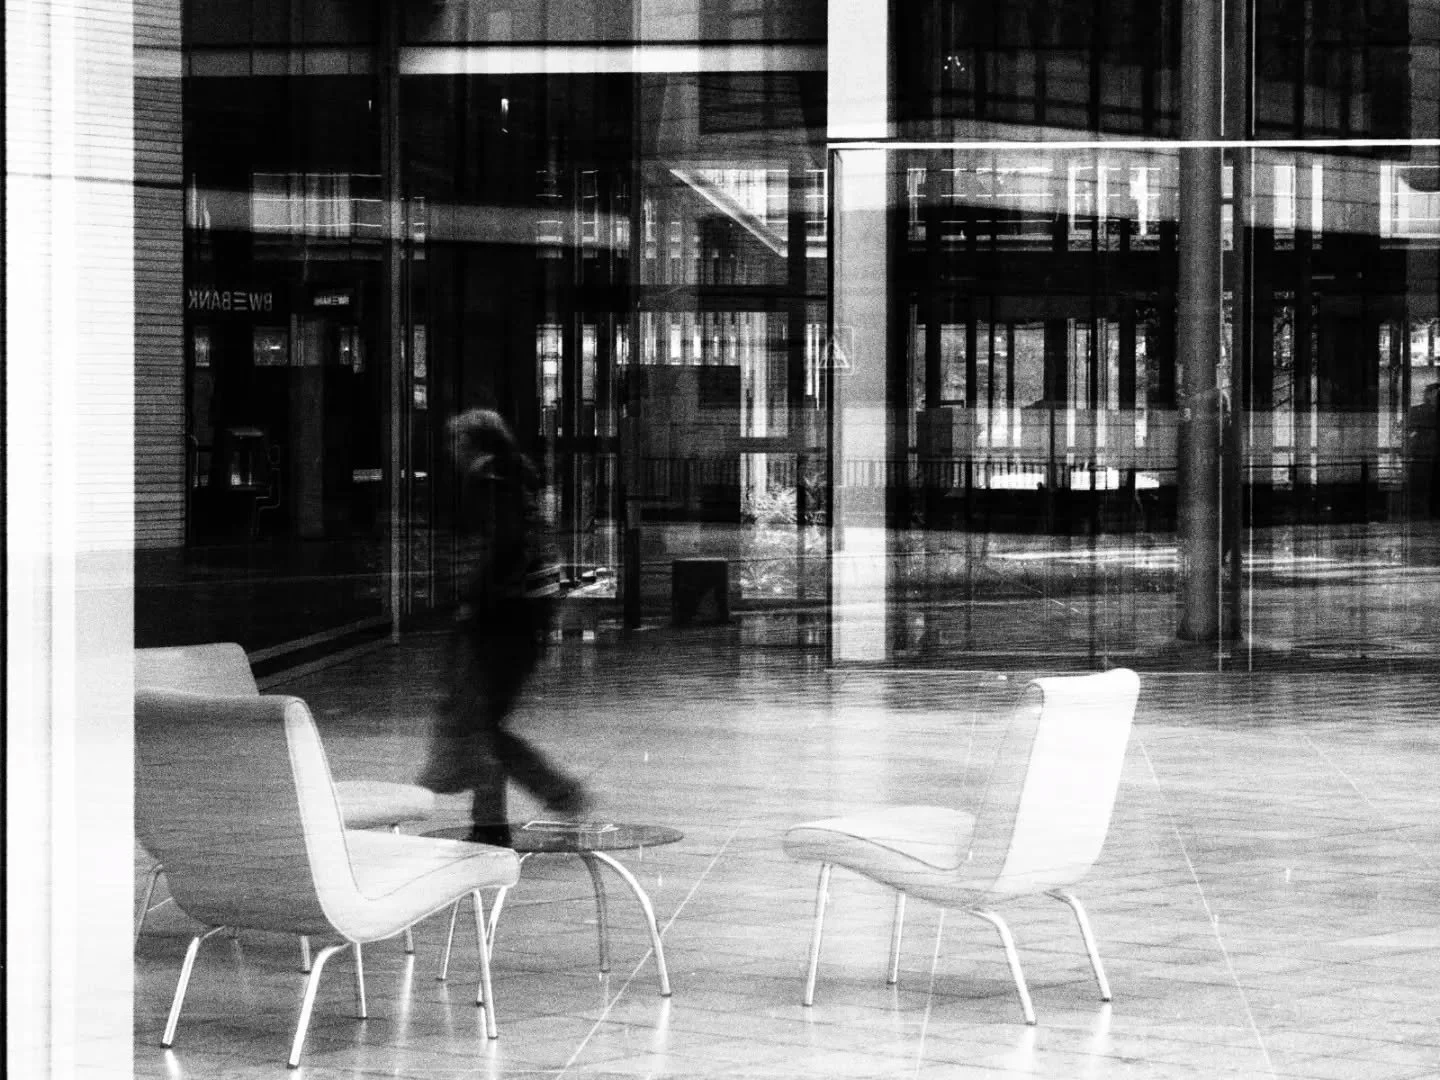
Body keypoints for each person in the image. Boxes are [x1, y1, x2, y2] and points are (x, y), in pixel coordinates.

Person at [418, 408, 591, 846]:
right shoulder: (519, 481)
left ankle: (537, 804)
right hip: (524, 619)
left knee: (481, 722)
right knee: (482, 723)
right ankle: (499, 818)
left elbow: (502, 550)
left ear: (474, 444)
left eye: (455, 443)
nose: (450, 452)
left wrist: (472, 601)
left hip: (502, 622)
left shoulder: (492, 483)